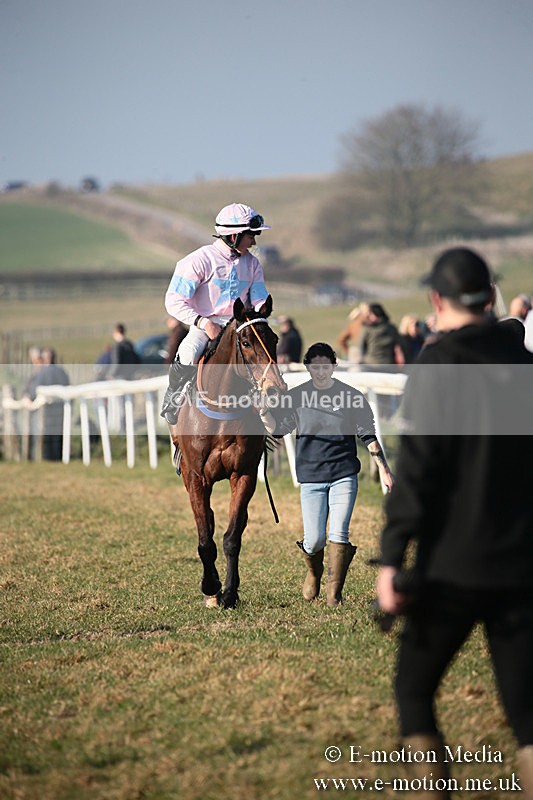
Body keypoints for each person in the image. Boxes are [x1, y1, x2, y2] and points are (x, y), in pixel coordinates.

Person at [376, 247, 533, 798]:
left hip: (454, 568)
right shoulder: (525, 365)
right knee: (527, 715)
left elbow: (416, 475)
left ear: (436, 301)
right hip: (523, 567)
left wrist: (392, 557)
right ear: (490, 299)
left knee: (414, 692)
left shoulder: (437, 368)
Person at [259, 342, 393, 607]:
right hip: (311, 478)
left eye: (326, 366)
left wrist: (384, 469)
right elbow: (277, 430)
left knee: (339, 533)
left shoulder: (351, 397)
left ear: (334, 365)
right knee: (315, 539)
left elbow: (368, 435)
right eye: (315, 366)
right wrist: (262, 411)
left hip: (344, 474)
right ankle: (314, 573)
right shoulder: (296, 398)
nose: (320, 371)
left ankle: (334, 594)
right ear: (308, 367)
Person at [161, 203, 271, 424]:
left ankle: (274, 408)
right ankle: (173, 398)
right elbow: (173, 301)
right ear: (233, 236)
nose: (254, 241)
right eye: (251, 236)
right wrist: (203, 323)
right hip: (206, 325)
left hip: (241, 326)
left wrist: (260, 314)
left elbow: (259, 296)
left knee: (266, 352)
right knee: (189, 351)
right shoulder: (198, 260)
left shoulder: (253, 263)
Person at [35, 348, 70, 461]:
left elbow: (36, 389)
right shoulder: (62, 372)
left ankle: (48, 457)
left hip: (47, 409)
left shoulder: (42, 372)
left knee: (48, 434)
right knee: (59, 434)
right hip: (61, 408)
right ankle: (59, 456)